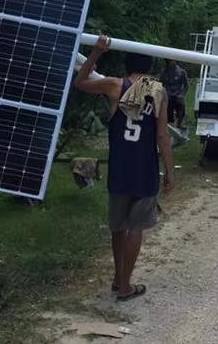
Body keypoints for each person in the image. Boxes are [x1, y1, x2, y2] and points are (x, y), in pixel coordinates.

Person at [74, 35, 175, 302]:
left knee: (118, 227)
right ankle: (126, 286)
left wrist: (95, 53)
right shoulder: (158, 90)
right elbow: (162, 136)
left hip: (120, 167)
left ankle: (119, 279)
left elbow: (80, 82)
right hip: (144, 169)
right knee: (136, 227)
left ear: (127, 65)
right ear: (150, 66)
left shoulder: (114, 85)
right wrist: (171, 172)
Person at [160, 60, 188, 129]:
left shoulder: (181, 72)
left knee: (181, 108)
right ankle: (168, 124)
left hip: (178, 95)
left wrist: (182, 94)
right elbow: (160, 84)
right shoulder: (164, 72)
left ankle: (179, 124)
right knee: (168, 112)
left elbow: (186, 85)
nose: (171, 63)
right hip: (168, 95)